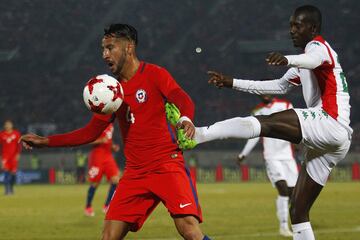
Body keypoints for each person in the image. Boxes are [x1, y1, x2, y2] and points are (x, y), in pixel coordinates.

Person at [21, 24, 211, 240]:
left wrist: (186, 119)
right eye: (103, 49)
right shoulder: (111, 92)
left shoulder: (154, 74)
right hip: (135, 173)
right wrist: (45, 141)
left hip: (166, 165)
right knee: (108, 237)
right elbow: (90, 132)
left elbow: (183, 99)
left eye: (110, 48)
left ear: (129, 47)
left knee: (189, 230)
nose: (105, 55)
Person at [190, 5, 351, 240]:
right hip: (333, 142)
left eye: (298, 25)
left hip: (329, 122)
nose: (292, 30)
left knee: (263, 123)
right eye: (290, 25)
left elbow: (313, 58)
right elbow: (278, 86)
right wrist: (231, 82)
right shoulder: (304, 64)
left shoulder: (318, 47)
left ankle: (201, 134)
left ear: (313, 28)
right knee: (298, 211)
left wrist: (287, 58)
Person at [237, 95, 298, 237]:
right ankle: (283, 226)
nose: (264, 94)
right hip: (271, 157)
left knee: (293, 193)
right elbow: (254, 136)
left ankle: (297, 224)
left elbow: (296, 124)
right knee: (282, 188)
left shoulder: (285, 105)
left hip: (287, 156)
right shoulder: (257, 112)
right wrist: (243, 154)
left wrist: (298, 142)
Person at [85, 123, 121, 217]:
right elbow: (87, 140)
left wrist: (112, 147)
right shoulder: (97, 124)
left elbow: (108, 140)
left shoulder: (111, 125)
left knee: (116, 180)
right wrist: (100, 140)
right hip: (97, 157)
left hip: (108, 156)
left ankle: (107, 205)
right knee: (95, 184)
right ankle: (88, 207)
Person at [0, 120, 21, 195]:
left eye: (9, 124)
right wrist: (1, 158)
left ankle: (11, 188)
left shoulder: (16, 134)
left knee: (13, 174)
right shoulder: (1, 134)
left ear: (12, 125)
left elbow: (19, 145)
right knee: (6, 173)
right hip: (5, 157)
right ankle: (6, 190)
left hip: (13, 157)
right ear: (4, 126)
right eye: (6, 125)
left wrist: (18, 154)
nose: (7, 126)